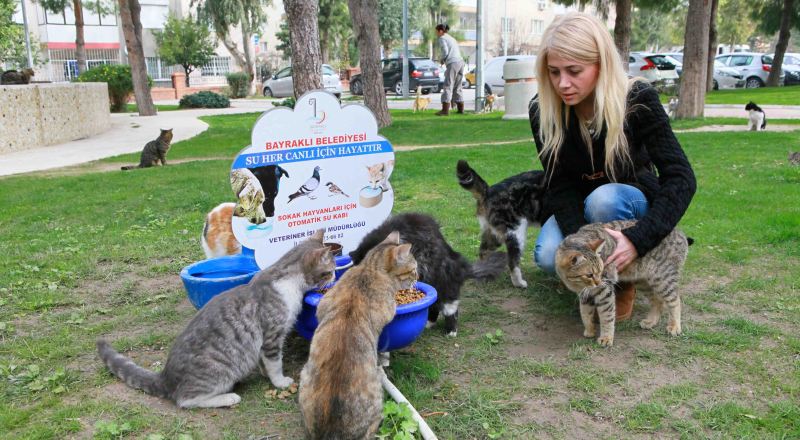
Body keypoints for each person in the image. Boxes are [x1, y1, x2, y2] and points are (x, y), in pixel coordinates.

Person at [529, 12, 696, 320]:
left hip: (628, 201)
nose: (562, 83)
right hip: (581, 207)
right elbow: (558, 184)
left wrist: (637, 239)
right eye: (554, 72)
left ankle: (624, 279)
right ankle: (602, 272)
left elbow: (681, 177)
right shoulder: (543, 111)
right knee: (548, 257)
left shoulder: (638, 99)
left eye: (574, 71)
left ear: (600, 65)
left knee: (604, 199)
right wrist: (582, 249)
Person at [435, 24, 465, 116]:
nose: (435, 33)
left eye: (436, 31)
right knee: (458, 86)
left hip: (453, 63)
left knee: (447, 85)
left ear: (440, 31)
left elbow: (445, 51)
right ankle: (461, 110)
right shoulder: (451, 38)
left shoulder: (442, 38)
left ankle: (445, 110)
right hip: (460, 62)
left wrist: (442, 59)